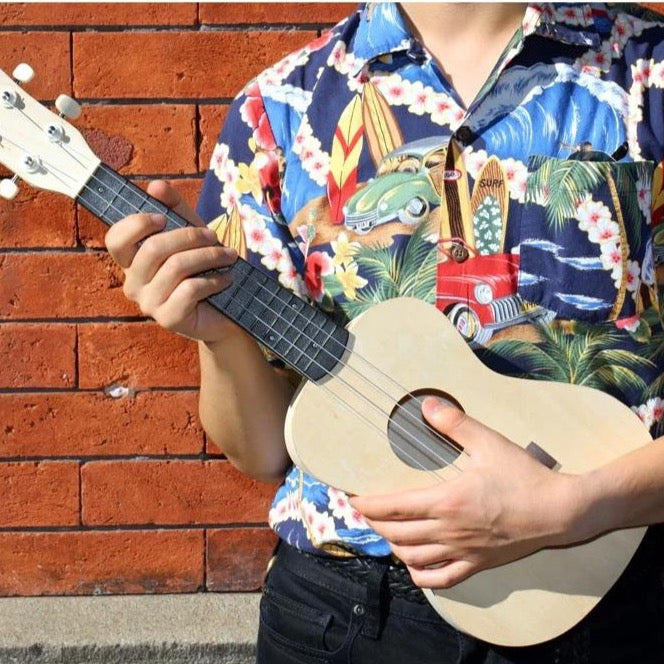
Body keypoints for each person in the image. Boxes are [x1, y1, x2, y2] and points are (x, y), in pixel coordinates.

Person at [105, 3, 664, 662]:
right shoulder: (280, 112)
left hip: (612, 599)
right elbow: (262, 451)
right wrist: (218, 335)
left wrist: (575, 506)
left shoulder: (643, 77)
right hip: (346, 619)